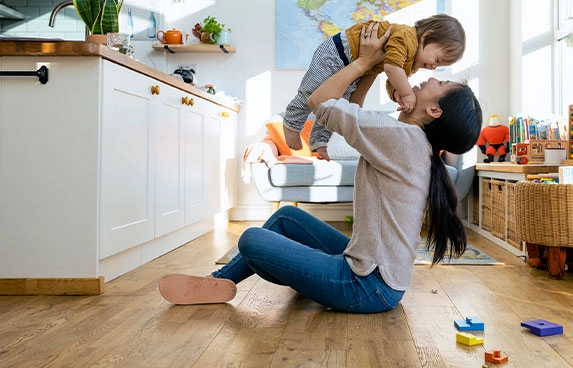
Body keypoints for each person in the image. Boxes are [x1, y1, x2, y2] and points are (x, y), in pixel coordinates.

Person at [158, 22, 482, 313]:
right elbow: (350, 111)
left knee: (251, 240)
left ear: (434, 110)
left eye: (440, 82)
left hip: (365, 286)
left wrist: (364, 61)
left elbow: (319, 100)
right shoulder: (409, 141)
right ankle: (219, 283)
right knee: (287, 217)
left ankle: (284, 274)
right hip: (375, 276)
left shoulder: (401, 137)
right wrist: (371, 68)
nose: (431, 77)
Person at [282, 14, 466, 160]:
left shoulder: (410, 64)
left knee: (337, 102)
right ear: (426, 37)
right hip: (339, 52)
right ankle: (292, 122)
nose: (434, 68)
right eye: (437, 59)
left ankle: (319, 140)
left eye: (440, 66)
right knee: (310, 89)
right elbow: (391, 68)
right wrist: (406, 93)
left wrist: (396, 93)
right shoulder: (407, 38)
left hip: (357, 64)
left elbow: (391, 78)